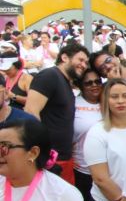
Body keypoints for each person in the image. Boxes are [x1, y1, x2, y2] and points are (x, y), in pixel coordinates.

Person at [24, 43, 90, 185]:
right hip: (50, 159)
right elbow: (31, 111)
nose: (84, 65)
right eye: (80, 60)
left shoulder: (64, 82)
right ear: (64, 57)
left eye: (86, 62)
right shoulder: (49, 75)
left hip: (63, 158)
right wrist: (44, 154)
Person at [72, 69, 103, 201]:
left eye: (97, 81)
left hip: (107, 170)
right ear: (81, 86)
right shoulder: (73, 104)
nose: (94, 85)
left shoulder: (109, 101)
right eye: (88, 83)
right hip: (81, 169)